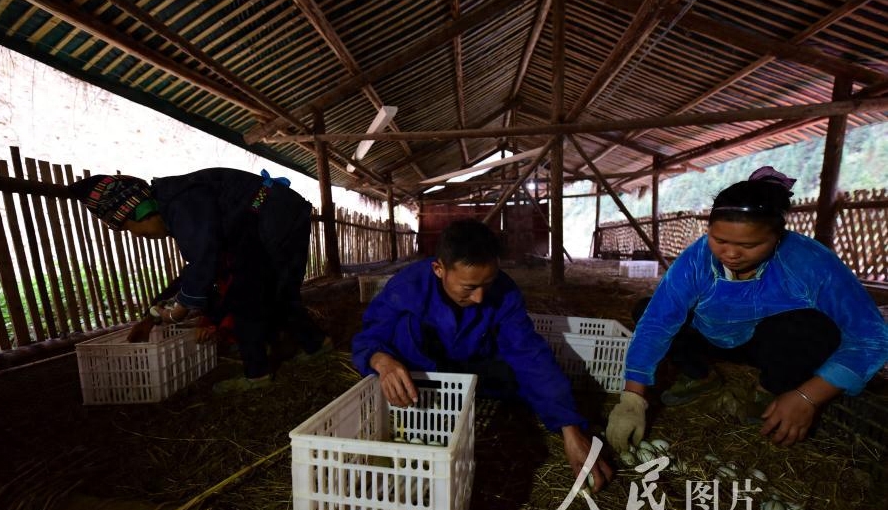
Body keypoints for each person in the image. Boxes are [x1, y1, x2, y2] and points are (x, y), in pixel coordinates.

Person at [606, 166, 888, 452]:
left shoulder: (811, 262)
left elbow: (872, 338)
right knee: (648, 310)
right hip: (711, 337)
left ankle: (771, 391)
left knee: (812, 325)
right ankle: (699, 377)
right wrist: (633, 398)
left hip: (771, 344)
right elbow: (657, 322)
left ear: (778, 236)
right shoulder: (697, 258)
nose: (731, 253)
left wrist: (807, 397)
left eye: (749, 245)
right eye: (720, 240)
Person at [351, 218, 613, 490]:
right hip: (420, 375)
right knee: (404, 329)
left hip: (473, 366)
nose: (479, 298)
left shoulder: (504, 292)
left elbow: (529, 354)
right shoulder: (407, 287)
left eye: (487, 284)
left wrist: (570, 426)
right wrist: (382, 360)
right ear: (439, 269)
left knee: (518, 375)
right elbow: (368, 338)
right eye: (469, 287)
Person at [70, 167, 331, 391]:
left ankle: (257, 374)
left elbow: (204, 260)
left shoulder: (182, 203)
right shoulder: (177, 201)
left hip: (273, 217)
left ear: (140, 211)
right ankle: (317, 345)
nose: (137, 235)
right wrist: (152, 316)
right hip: (277, 213)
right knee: (276, 290)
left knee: (248, 295)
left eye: (129, 228)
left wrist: (180, 309)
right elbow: (196, 269)